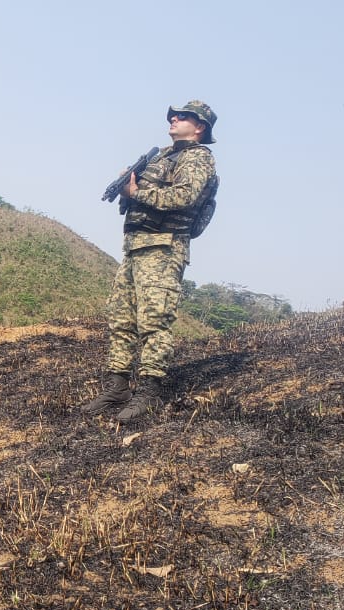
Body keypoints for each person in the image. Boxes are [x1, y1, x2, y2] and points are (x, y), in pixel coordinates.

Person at [81, 100, 218, 420]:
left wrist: (136, 191)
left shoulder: (198, 157)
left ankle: (149, 391)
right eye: (173, 115)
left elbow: (185, 197)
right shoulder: (162, 156)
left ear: (200, 127)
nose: (174, 118)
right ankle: (117, 387)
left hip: (164, 248)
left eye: (183, 116)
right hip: (136, 248)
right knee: (121, 319)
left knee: (154, 322)